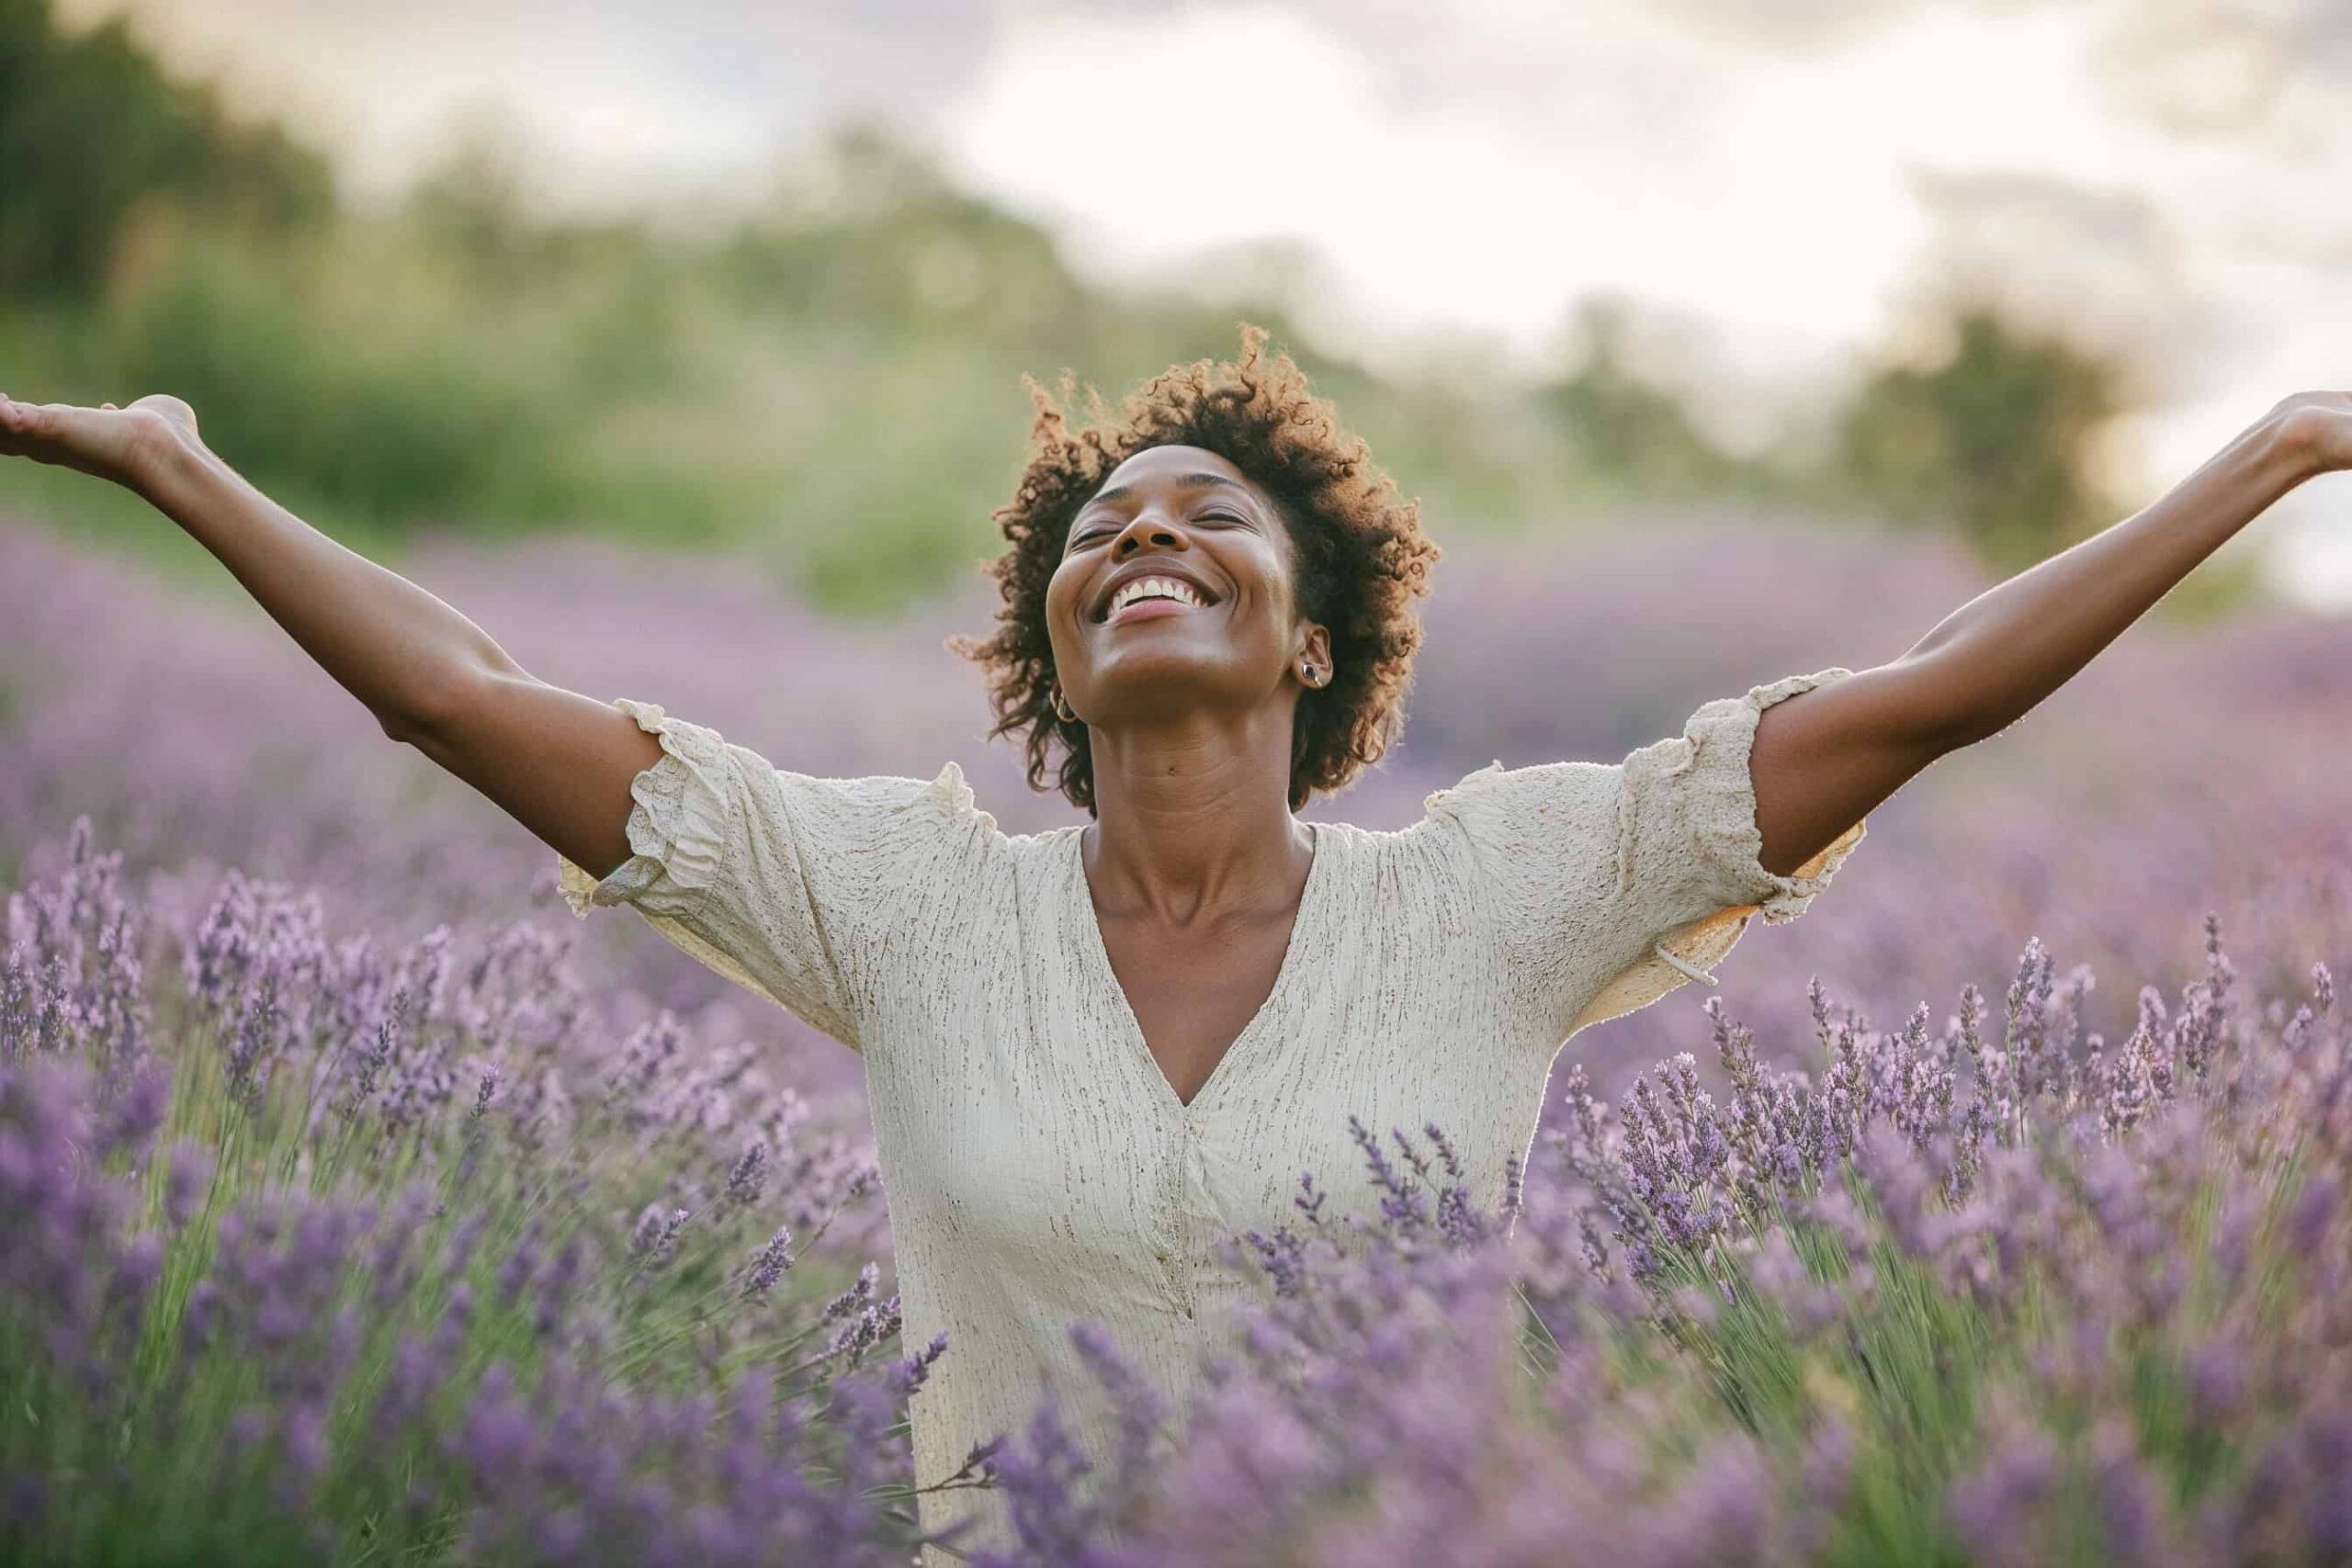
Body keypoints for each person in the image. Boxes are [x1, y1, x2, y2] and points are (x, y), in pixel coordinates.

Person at [3, 328, 2343, 1562]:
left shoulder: (1496, 890)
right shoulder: (905, 903)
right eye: (1095, 529)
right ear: (1047, 633)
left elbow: (1921, 691)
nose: (1139, 538)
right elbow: (454, 688)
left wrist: (2259, 453)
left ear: (1310, 625)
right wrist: (184, 467)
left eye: (1202, 516)